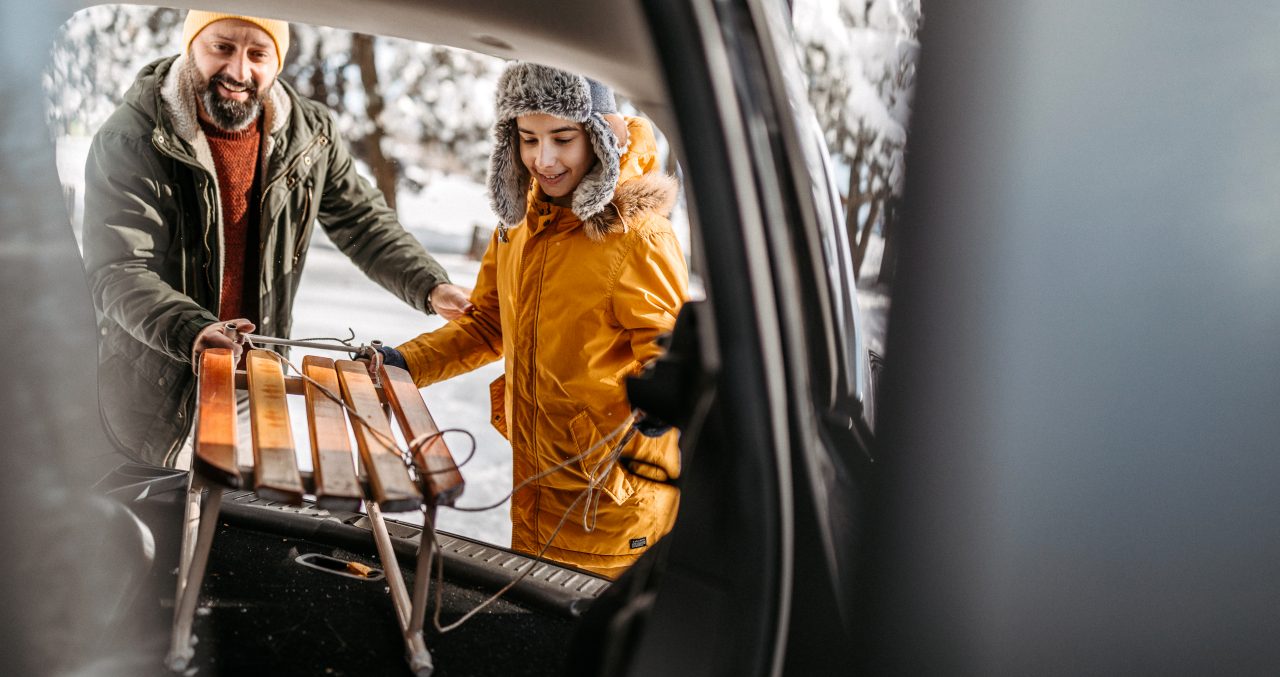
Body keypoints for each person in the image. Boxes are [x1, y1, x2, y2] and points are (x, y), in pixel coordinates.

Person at [81, 10, 471, 468]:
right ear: (191, 46)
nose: (239, 72)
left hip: (254, 377)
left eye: (258, 54)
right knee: (159, 520)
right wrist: (194, 331)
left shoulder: (310, 135)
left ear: (278, 61)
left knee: (234, 520)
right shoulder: (133, 138)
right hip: (159, 381)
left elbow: (363, 221)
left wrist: (429, 284)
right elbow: (118, 271)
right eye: (222, 47)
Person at [375, 63, 689, 578]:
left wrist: (659, 399)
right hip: (538, 479)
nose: (544, 159)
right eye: (528, 139)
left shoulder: (639, 237)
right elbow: (486, 327)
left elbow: (668, 351)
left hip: (608, 495)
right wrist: (405, 362)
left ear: (600, 135)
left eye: (562, 138)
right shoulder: (518, 225)